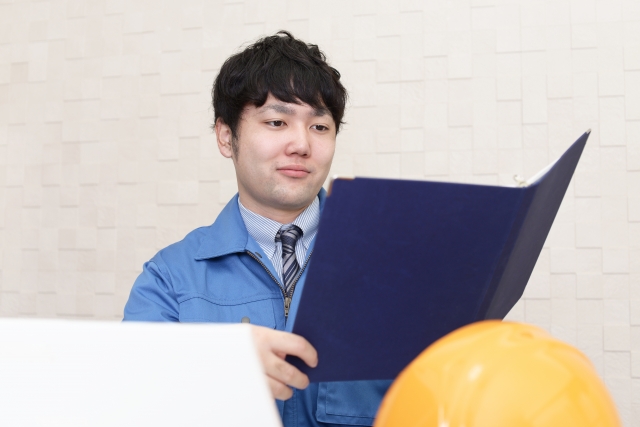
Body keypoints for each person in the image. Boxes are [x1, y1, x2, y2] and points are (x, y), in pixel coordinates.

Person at [124, 31, 390, 426]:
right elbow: (131, 402)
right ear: (226, 136)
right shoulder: (168, 279)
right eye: (277, 121)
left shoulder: (392, 267)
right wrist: (216, 368)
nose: (301, 144)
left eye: (320, 126)